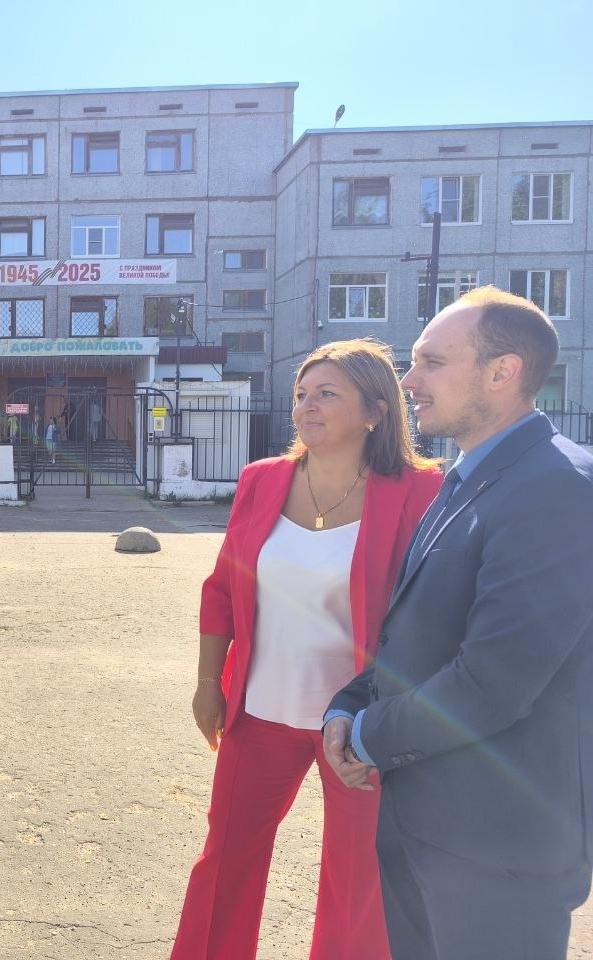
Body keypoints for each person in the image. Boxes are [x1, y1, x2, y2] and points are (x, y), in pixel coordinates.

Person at [324, 288, 593, 960]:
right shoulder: (467, 475)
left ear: (502, 372)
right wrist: (347, 705)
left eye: (432, 362)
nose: (408, 380)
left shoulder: (558, 486)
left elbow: (493, 682)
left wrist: (367, 735)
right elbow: (415, 631)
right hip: (424, 824)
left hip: (498, 852)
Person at [171, 338, 441, 960]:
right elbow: (221, 589)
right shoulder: (262, 480)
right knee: (225, 858)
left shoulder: (420, 492)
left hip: (361, 724)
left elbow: (432, 613)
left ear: (375, 411)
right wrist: (209, 684)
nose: (305, 407)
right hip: (260, 712)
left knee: (359, 878)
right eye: (300, 394)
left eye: (326, 394)